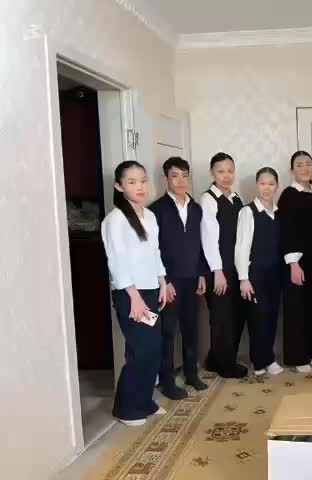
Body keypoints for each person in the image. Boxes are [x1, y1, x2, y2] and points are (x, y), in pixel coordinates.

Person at [101, 161, 168, 426]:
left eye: (142, 180)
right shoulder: (115, 219)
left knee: (153, 349)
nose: (139, 186)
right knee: (142, 350)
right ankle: (126, 409)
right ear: (119, 187)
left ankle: (144, 401)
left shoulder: (149, 216)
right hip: (130, 295)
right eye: (131, 182)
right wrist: (134, 297)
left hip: (151, 290)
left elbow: (155, 252)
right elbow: (117, 260)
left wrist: (163, 282)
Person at [149, 157, 208, 400]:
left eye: (185, 175)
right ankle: (167, 381)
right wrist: (165, 280)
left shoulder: (196, 208)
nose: (181, 181)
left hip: (192, 278)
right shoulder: (156, 210)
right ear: (166, 179)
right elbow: (153, 249)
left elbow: (200, 243)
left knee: (191, 328)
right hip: (169, 282)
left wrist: (202, 273)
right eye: (175, 176)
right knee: (168, 332)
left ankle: (192, 374)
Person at [200, 152, 247, 379]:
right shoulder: (208, 199)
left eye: (230, 171)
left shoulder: (236, 198)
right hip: (218, 268)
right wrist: (217, 271)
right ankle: (225, 365)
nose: (226, 175)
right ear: (212, 173)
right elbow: (208, 238)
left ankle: (215, 359)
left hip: (235, 266)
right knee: (221, 318)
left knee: (235, 315)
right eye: (221, 171)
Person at [278, 151, 312, 373]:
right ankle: (298, 356)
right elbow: (286, 231)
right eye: (299, 165)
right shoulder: (288, 195)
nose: (305, 168)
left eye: (308, 164)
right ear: (292, 170)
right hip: (297, 261)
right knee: (297, 308)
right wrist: (293, 263)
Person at [235, 167, 285, 376]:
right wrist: (243, 278)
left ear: (276, 186)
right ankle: (260, 361)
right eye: (263, 183)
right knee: (258, 319)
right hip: (255, 275)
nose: (267, 188)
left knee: (271, 317)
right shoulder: (248, 212)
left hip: (275, 274)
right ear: (257, 185)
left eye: (271, 184)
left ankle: (267, 357)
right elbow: (241, 247)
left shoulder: (278, 212)